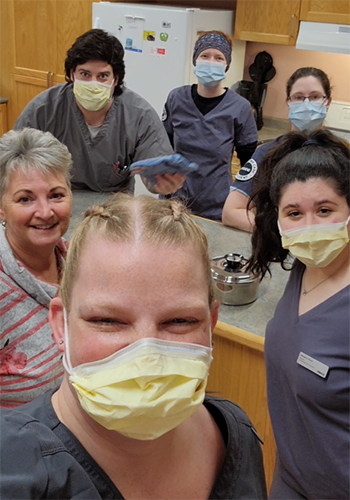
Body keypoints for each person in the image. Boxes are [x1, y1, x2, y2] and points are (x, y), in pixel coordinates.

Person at [0, 194, 268, 499]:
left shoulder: (235, 434)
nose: (146, 356)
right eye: (107, 321)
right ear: (60, 324)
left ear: (211, 325)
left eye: (180, 320)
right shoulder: (12, 470)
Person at [247, 129, 350, 500]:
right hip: (291, 480)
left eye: (325, 210)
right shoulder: (305, 268)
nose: (310, 228)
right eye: (294, 213)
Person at [14, 29, 184, 196]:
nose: (93, 83)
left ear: (115, 80)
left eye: (102, 76)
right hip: (56, 202)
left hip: (114, 213)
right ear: (72, 74)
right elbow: (12, 162)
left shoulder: (139, 116)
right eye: (85, 74)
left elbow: (154, 174)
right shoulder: (43, 110)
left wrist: (161, 182)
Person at [0, 128, 72, 408]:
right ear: (2, 208)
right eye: (25, 199)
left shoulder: (73, 259)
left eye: (56, 195)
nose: (45, 212)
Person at [162, 30, 258, 221]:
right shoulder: (176, 98)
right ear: (195, 60)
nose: (211, 62)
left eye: (219, 58)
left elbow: (250, 165)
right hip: (174, 204)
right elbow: (163, 147)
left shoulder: (239, 107)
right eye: (204, 56)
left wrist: (245, 204)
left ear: (227, 65)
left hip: (217, 206)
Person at [222, 67, 332, 231]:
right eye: (298, 97)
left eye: (315, 97)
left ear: (327, 102)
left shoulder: (340, 157)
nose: (306, 103)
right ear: (288, 102)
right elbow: (231, 212)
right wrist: (282, 232)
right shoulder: (268, 153)